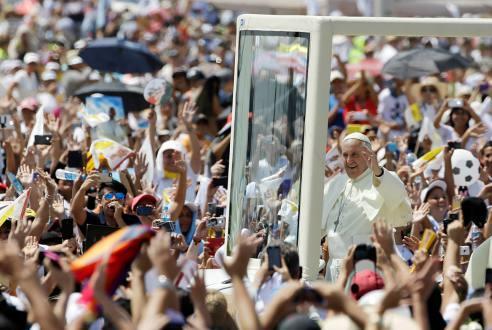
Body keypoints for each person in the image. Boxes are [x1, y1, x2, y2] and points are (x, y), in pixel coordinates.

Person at [322, 132, 412, 280]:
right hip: (334, 268)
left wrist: (377, 171)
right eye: (345, 155)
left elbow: (397, 195)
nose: (349, 160)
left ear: (368, 155)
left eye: (355, 154)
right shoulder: (336, 184)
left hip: (364, 267)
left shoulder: (380, 178)